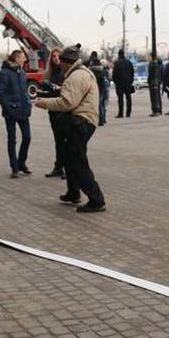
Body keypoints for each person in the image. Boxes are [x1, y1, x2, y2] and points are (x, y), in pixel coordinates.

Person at [34, 46, 105, 213]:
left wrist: (44, 103)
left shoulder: (76, 77)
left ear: (67, 63)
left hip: (81, 122)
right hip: (84, 120)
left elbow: (67, 103)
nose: (60, 64)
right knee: (68, 156)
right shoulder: (81, 72)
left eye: (62, 61)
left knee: (78, 161)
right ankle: (73, 193)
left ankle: (96, 199)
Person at [0, 50, 32, 178]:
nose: (24, 60)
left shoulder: (22, 72)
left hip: (23, 111)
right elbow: (0, 92)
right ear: (16, 58)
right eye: (23, 57)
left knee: (27, 137)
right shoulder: (5, 72)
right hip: (11, 111)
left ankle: (21, 162)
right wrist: (8, 107)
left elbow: (25, 91)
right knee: (12, 140)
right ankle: (14, 167)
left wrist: (28, 104)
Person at [43, 48, 65, 178]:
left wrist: (58, 88)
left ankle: (67, 168)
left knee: (65, 141)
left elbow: (69, 91)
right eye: (54, 56)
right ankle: (58, 167)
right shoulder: (50, 73)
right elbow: (48, 91)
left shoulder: (66, 72)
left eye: (58, 56)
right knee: (58, 141)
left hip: (63, 110)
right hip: (53, 110)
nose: (56, 58)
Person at [111, 50, 134, 118]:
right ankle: (128, 113)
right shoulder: (129, 63)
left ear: (119, 55)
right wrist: (130, 81)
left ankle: (120, 113)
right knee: (128, 98)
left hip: (119, 84)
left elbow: (114, 75)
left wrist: (116, 82)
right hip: (128, 83)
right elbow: (132, 73)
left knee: (120, 99)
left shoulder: (117, 63)